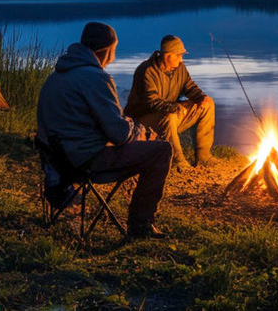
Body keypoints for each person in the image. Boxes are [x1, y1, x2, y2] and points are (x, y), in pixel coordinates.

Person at [36, 22, 172, 239]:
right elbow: (118, 134)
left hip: (57, 160)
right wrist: (143, 133)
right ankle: (141, 225)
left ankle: (140, 223)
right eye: (115, 49)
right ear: (107, 50)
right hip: (85, 161)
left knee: (144, 141)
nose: (115, 56)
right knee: (161, 150)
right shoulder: (96, 78)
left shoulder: (57, 76)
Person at [124, 34, 216, 171]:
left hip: (170, 114)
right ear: (168, 56)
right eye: (179, 56)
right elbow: (151, 102)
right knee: (170, 115)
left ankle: (203, 156)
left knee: (208, 104)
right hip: (143, 120)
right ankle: (177, 160)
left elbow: (189, 87)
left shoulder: (180, 69)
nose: (181, 60)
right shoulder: (147, 71)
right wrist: (174, 107)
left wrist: (200, 97)